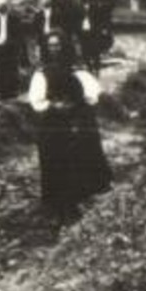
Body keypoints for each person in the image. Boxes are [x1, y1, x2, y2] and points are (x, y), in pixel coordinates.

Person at [28, 30, 114, 216]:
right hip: (54, 122)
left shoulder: (78, 70)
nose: (54, 49)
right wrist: (53, 105)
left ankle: (82, 196)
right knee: (55, 157)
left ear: (65, 46)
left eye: (58, 45)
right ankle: (57, 202)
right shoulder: (42, 73)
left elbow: (92, 95)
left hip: (77, 117)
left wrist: (79, 105)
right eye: (50, 45)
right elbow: (36, 101)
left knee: (82, 154)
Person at [0, 0, 32, 100]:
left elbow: (19, 37)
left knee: (11, 72)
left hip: (10, 49)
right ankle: (2, 94)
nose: (1, 7)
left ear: (7, 6)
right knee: (0, 72)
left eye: (3, 5)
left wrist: (17, 49)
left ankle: (12, 95)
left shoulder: (14, 19)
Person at [80, 0, 117, 72]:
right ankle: (93, 66)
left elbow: (112, 5)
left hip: (104, 23)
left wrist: (100, 6)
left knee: (99, 46)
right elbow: (83, 1)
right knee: (92, 46)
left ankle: (96, 66)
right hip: (93, 23)